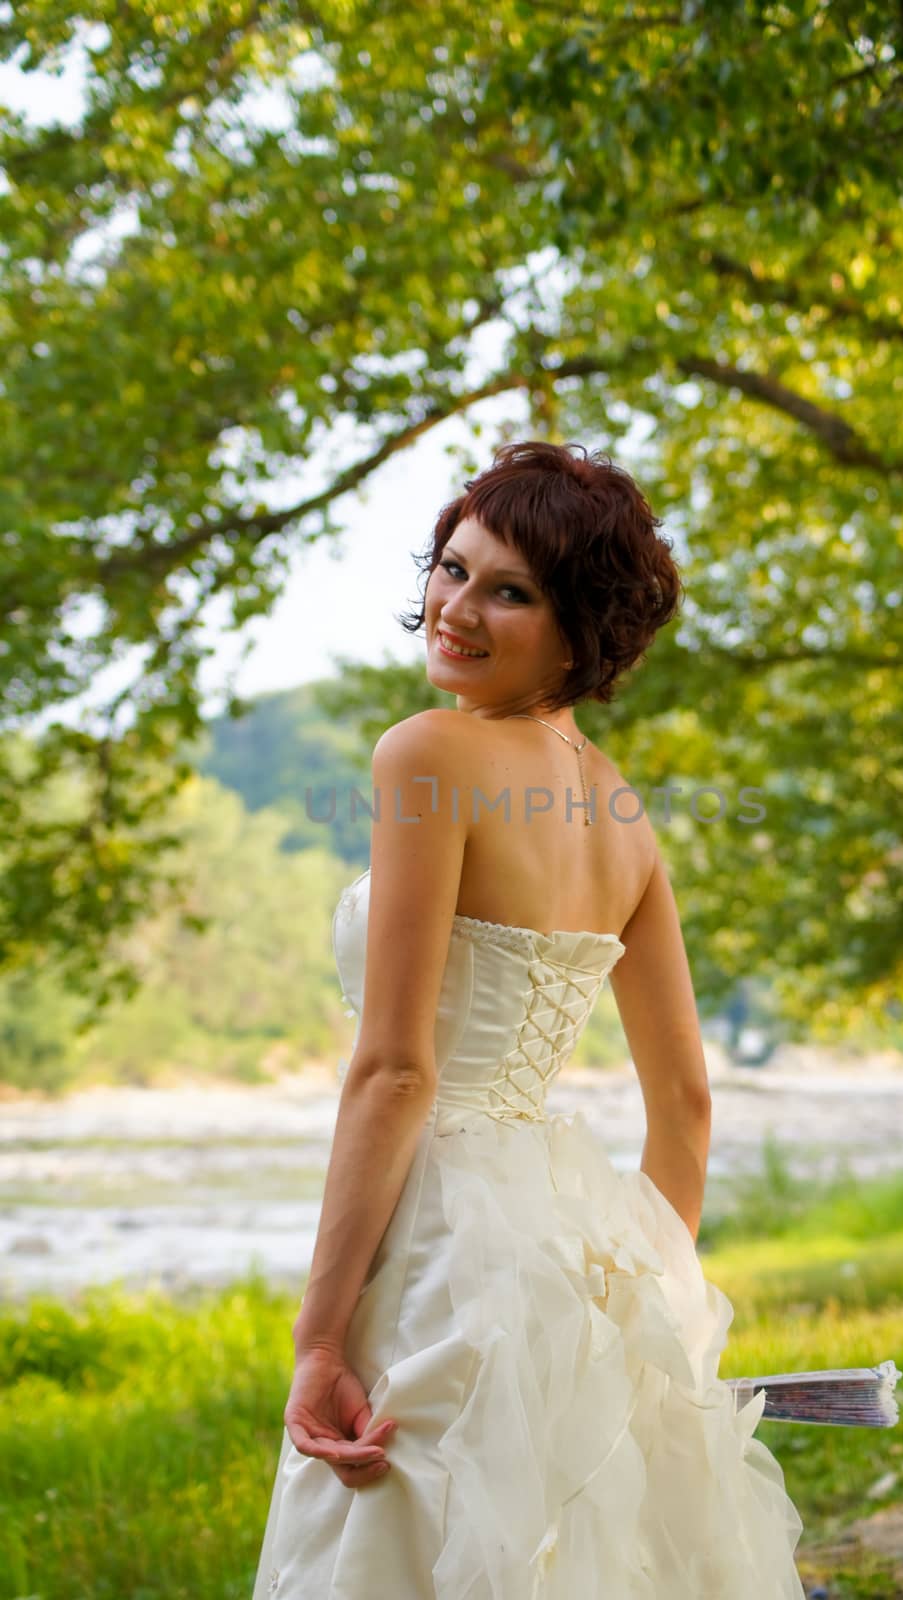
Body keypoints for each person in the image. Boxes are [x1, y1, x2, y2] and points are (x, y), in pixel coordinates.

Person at [252, 441, 805, 1597]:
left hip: (444, 1237)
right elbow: (685, 1105)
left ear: (581, 630)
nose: (455, 607)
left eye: (510, 591)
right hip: (573, 1237)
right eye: (451, 568)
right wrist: (656, 1300)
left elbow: (397, 1073)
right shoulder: (626, 818)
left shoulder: (427, 754)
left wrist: (317, 1337)